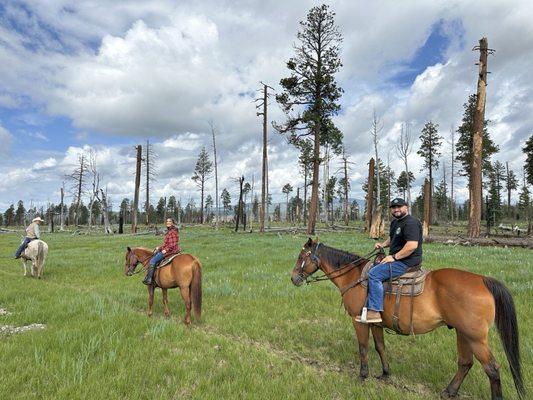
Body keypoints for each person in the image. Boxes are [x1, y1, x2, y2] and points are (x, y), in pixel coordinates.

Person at [356, 197, 423, 324]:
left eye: (399, 206)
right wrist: (383, 245)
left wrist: (393, 257)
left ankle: (375, 311)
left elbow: (412, 246)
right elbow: (393, 239)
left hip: (407, 262)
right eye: (394, 207)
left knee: (374, 274)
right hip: (398, 259)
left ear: (406, 207)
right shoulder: (395, 222)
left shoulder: (411, 223)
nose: (396, 209)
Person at [143, 218, 181, 285]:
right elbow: (166, 244)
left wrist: (165, 250)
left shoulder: (172, 232)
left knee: (153, 260)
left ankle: (149, 279)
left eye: (170, 221)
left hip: (171, 251)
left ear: (173, 223)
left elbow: (173, 244)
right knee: (155, 255)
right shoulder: (170, 231)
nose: (168, 222)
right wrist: (159, 248)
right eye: (167, 221)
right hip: (170, 249)